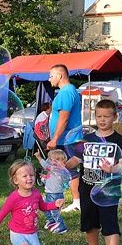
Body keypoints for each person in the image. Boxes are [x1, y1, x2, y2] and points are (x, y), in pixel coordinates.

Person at [65, 99, 122, 245]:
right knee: (89, 221)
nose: (102, 120)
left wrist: (114, 168)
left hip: (108, 190)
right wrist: (63, 165)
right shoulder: (87, 139)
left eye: (107, 116)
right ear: (95, 117)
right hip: (87, 188)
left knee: (110, 223)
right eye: (99, 116)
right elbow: (76, 160)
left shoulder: (118, 140)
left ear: (114, 117)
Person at [47, 64, 82, 213]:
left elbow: (64, 117)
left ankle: (76, 202)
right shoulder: (68, 91)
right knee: (68, 170)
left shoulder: (66, 92)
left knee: (71, 170)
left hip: (68, 139)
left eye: (51, 76)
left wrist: (55, 138)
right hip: (67, 138)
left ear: (60, 76)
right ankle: (75, 200)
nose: (49, 79)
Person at [34, 149, 68, 234]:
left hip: (55, 195)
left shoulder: (57, 169)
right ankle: (52, 222)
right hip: (50, 193)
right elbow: (52, 178)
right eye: (50, 159)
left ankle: (61, 227)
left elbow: (46, 166)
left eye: (54, 160)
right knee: (45, 207)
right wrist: (45, 177)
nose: (51, 161)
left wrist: (39, 157)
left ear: (62, 162)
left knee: (54, 211)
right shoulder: (54, 170)